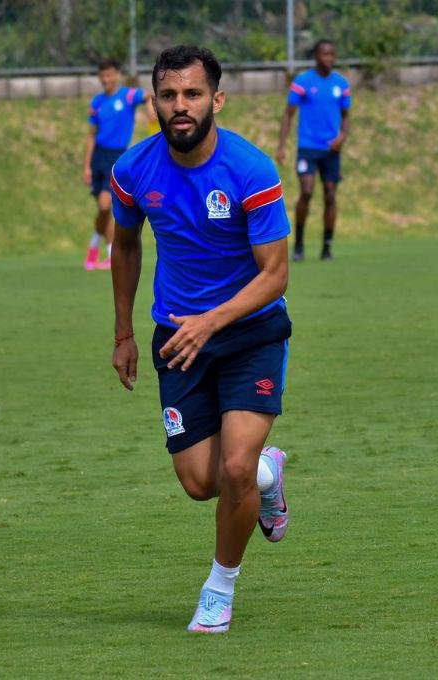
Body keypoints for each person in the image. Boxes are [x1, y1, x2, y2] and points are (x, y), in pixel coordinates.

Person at [109, 45, 292, 633]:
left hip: (251, 333)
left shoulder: (251, 170)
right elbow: (127, 243)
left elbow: (276, 274)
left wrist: (213, 320)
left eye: (191, 94)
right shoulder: (133, 170)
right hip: (176, 339)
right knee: (199, 484)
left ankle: (220, 588)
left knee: (232, 470)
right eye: (168, 95)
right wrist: (124, 333)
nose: (179, 106)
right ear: (154, 103)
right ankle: (268, 476)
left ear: (216, 99)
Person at [277, 39, 352, 261]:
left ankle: (326, 248)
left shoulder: (342, 84)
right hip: (308, 146)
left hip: (331, 149)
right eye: (325, 54)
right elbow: (289, 113)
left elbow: (346, 117)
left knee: (330, 195)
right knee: (307, 191)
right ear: (316, 56)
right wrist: (282, 145)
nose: (329, 58)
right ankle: (299, 245)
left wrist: (343, 136)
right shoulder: (303, 81)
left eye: (332, 54)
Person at [82, 59, 147, 270]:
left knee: (106, 205)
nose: (105, 79)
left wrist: (152, 111)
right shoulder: (97, 103)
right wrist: (86, 166)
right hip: (98, 157)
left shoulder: (127, 96)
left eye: (109, 74)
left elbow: (147, 97)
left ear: (118, 75)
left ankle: (109, 253)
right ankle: (94, 249)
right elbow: (91, 136)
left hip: (117, 157)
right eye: (102, 75)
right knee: (103, 210)